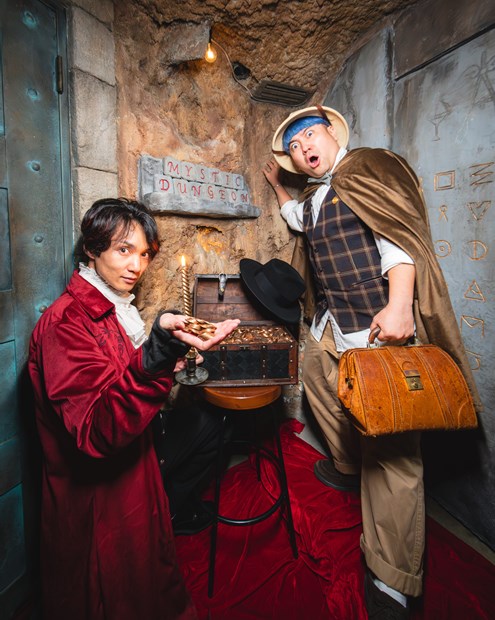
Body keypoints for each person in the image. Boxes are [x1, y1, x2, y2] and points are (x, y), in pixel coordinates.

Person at [263, 106, 481, 619]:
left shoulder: (368, 168)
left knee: (393, 453)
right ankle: (347, 465)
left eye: (309, 136)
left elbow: (398, 239)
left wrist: (401, 303)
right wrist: (277, 186)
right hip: (333, 326)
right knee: (317, 381)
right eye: (294, 146)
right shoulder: (314, 198)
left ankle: (393, 576)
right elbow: (295, 218)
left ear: (331, 133)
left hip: (377, 327)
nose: (303, 148)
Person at [28, 197, 240, 620]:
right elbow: (96, 430)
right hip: (98, 495)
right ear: (93, 249)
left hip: (137, 459)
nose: (137, 266)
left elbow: (119, 375)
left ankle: (177, 510)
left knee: (214, 424)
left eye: (144, 254)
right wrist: (155, 359)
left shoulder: (111, 308)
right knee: (120, 592)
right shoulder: (65, 323)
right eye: (124, 250)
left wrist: (167, 359)